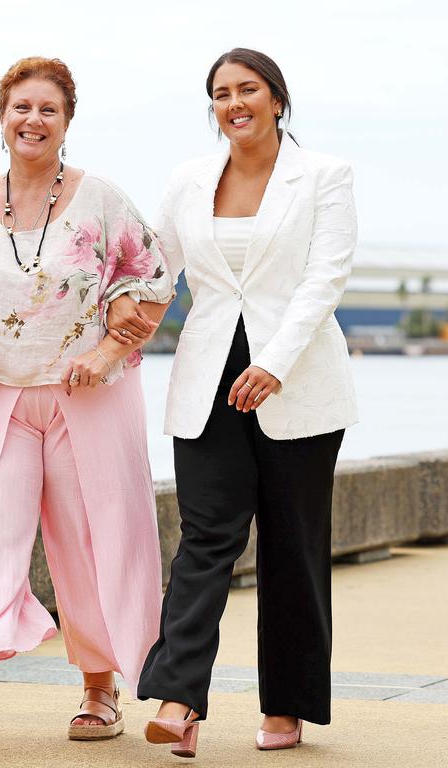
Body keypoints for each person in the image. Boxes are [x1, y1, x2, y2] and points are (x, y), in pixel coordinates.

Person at [0, 56, 175, 756]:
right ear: (2, 118)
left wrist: (109, 352)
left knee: (90, 543)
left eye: (47, 110)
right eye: (21, 107)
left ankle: (98, 686)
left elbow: (152, 279)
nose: (32, 120)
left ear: (66, 122)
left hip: (86, 399)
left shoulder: (102, 200)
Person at [137, 48, 358, 758]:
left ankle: (287, 705)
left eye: (248, 90)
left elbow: (325, 279)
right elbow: (151, 270)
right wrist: (103, 330)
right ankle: (178, 697)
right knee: (205, 536)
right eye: (222, 94)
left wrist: (273, 362)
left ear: (276, 99)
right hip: (207, 380)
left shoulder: (323, 176)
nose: (235, 103)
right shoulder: (189, 180)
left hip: (294, 380)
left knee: (292, 546)